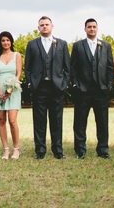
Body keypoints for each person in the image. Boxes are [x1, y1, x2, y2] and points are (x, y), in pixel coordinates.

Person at [24, 16, 70, 159]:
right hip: (39, 88)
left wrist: (64, 83)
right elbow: (28, 67)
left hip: (57, 87)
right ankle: (40, 151)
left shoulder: (62, 44)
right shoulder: (32, 44)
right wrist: (31, 83)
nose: (44, 27)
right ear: (38, 28)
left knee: (57, 120)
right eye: (42, 25)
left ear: (52, 26)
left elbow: (67, 67)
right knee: (39, 120)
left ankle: (57, 150)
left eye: (47, 24)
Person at [70, 19, 114, 160]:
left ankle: (103, 149)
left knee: (102, 122)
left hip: (101, 90)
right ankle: (80, 150)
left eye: (94, 27)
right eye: (89, 27)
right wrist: (76, 84)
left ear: (97, 28)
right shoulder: (77, 46)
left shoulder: (106, 46)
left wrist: (108, 85)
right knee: (80, 122)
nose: (92, 29)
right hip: (83, 90)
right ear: (85, 29)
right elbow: (73, 67)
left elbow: (110, 67)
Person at [0, 31, 22, 160]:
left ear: (11, 42)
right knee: (1, 120)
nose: (5, 43)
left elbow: (19, 73)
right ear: (0, 42)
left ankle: (16, 149)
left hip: (13, 90)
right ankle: (6, 149)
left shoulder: (17, 55)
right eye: (3, 40)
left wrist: (11, 89)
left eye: (8, 40)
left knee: (12, 121)